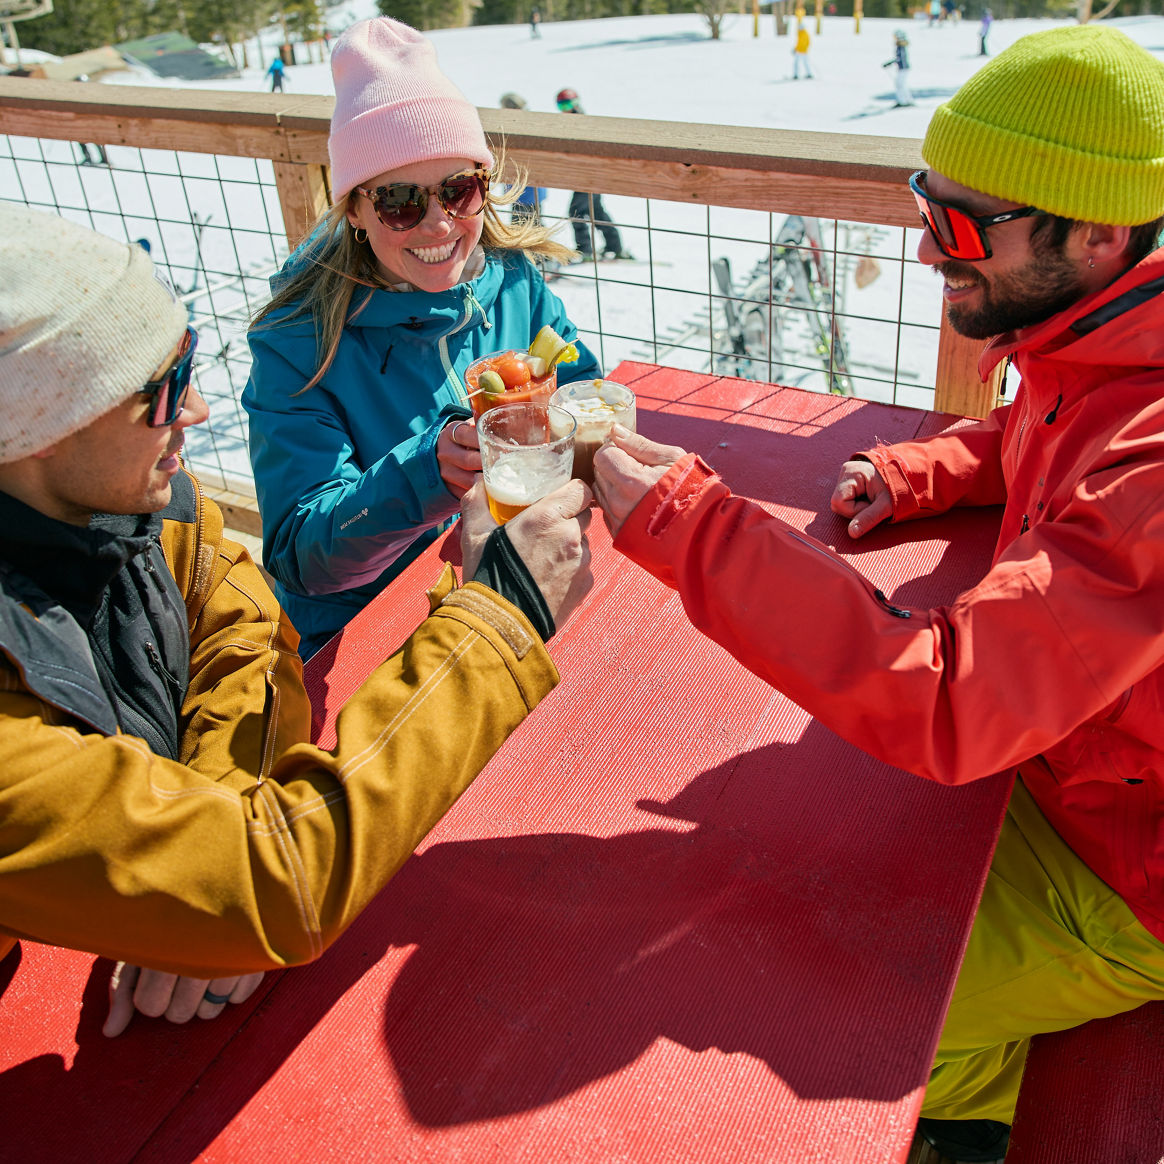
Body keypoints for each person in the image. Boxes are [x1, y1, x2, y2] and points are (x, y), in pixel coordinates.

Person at [592, 26, 1164, 1164]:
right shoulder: (1098, 341)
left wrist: (686, 524)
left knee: (841, 1002)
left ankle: (952, 1095)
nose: (925, 254)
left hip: (1127, 865)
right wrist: (919, 470)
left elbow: (951, 704)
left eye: (958, 229)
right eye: (923, 210)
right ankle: (970, 1093)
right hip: (1072, 766)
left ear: (1098, 232)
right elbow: (1038, 430)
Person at [0, 201, 593, 1039]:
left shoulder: (139, 506)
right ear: (36, 429)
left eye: (190, 364)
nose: (198, 412)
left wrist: (197, 878)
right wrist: (505, 609)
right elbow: (285, 882)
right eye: (159, 390)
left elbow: (249, 632)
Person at [243, 18, 597, 660]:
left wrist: (578, 425)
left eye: (459, 190)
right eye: (399, 201)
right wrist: (425, 472)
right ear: (353, 208)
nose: (437, 222)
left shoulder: (514, 282)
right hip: (363, 635)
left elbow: (576, 383)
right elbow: (301, 556)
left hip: (508, 584)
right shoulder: (297, 343)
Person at [556, 88, 634, 262]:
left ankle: (585, 250)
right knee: (596, 212)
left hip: (589, 176)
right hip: (587, 176)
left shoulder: (580, 123)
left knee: (576, 212)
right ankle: (615, 246)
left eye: (569, 104)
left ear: (577, 103)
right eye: (561, 105)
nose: (565, 109)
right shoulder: (566, 124)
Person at [500, 93, 548, 227]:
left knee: (525, 225)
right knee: (530, 223)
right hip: (522, 188)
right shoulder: (522, 125)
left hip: (527, 187)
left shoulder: (522, 127)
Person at [883, 30, 914, 108]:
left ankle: (903, 101)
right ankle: (907, 100)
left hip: (903, 68)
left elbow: (900, 58)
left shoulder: (901, 47)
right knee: (901, 84)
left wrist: (890, 63)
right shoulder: (900, 46)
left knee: (899, 84)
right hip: (903, 68)